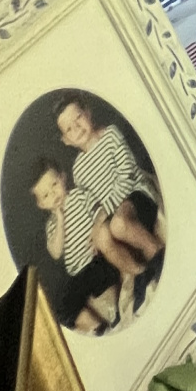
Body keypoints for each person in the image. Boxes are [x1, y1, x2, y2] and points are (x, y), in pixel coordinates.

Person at [54, 94, 164, 277]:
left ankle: (155, 251)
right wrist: (98, 223)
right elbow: (91, 201)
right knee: (102, 238)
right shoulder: (78, 169)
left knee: (118, 224)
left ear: (87, 112)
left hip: (137, 196)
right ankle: (139, 272)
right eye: (69, 129)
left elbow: (127, 176)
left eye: (78, 117)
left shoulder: (110, 135)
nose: (77, 128)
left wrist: (103, 214)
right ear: (66, 140)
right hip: (112, 213)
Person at [31, 159, 118, 332]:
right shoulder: (51, 225)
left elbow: (101, 211)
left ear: (63, 178)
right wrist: (60, 220)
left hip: (95, 258)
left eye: (54, 184)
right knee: (63, 307)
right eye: (46, 195)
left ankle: (114, 314)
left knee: (105, 276)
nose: (53, 194)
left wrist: (96, 229)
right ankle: (96, 325)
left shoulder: (79, 196)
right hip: (77, 274)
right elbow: (56, 253)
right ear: (41, 204)